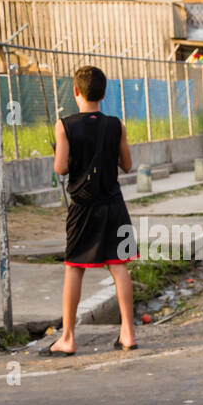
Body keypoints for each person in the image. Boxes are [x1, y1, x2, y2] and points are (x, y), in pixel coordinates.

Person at [44, 65, 137, 356]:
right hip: (113, 204)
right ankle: (128, 333)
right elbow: (127, 164)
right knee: (119, 266)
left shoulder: (64, 125)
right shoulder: (115, 124)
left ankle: (69, 337)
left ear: (75, 91)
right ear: (104, 93)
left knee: (75, 267)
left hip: (83, 208)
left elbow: (60, 168)